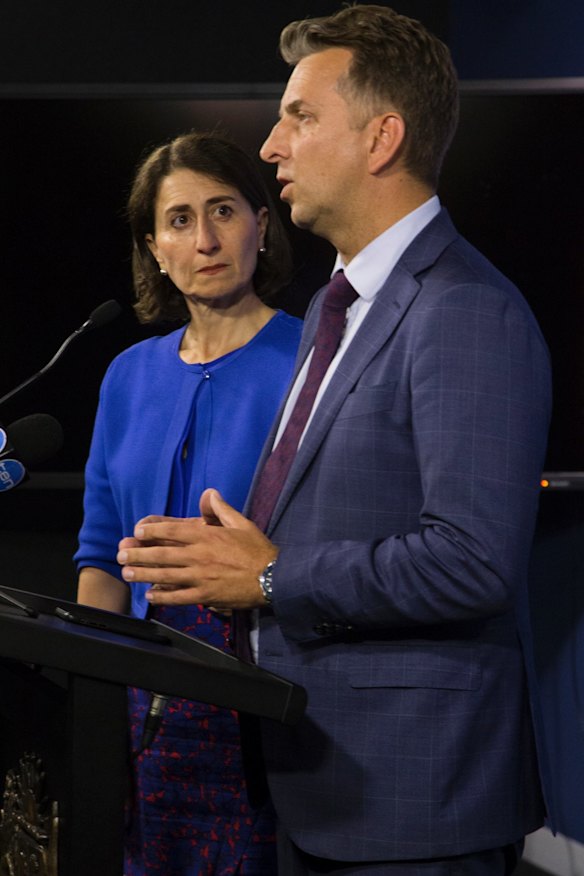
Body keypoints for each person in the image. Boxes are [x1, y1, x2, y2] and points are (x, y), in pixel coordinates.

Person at [114, 7, 553, 875]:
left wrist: (269, 577)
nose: (272, 145)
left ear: (382, 137)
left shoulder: (466, 310)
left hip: (414, 807)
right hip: (313, 784)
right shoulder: (333, 306)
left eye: (300, 117)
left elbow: (473, 559)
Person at [74, 130, 303, 875]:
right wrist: (93, 700)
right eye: (179, 220)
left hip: (264, 694)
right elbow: (102, 556)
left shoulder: (314, 362)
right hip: (145, 706)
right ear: (154, 246)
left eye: (224, 211)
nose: (204, 239)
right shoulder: (127, 375)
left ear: (261, 226)